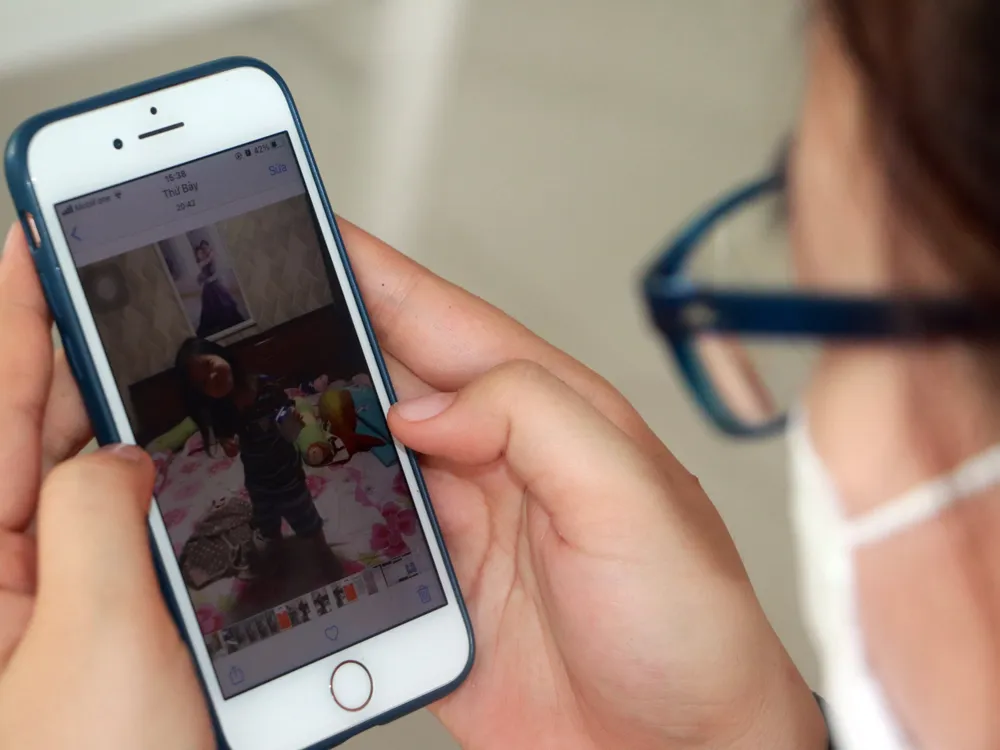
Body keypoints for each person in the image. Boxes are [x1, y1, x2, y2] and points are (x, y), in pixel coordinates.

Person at [0, 1, 994, 748]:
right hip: (263, 480)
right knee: (276, 511)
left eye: (818, 315)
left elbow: (288, 416)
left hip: (283, 471)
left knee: (296, 511)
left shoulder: (251, 384)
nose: (823, 425)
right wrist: (737, 736)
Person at [174, 337, 341, 581]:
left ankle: (323, 551)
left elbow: (290, 421)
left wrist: (293, 421)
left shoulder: (266, 387)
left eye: (209, 365)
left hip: (287, 474)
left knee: (307, 520)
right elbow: (228, 443)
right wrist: (228, 445)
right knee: (267, 524)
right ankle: (277, 552)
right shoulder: (221, 408)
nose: (212, 378)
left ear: (221, 355)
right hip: (257, 481)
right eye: (203, 383)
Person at [193, 239, 245, 338]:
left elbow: (216, 270)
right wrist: (210, 256)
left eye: (205, 248)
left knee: (224, 303)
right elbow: (204, 266)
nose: (204, 251)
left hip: (215, 284)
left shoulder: (211, 258)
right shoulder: (204, 261)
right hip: (208, 287)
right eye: (201, 251)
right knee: (210, 307)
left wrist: (212, 277)